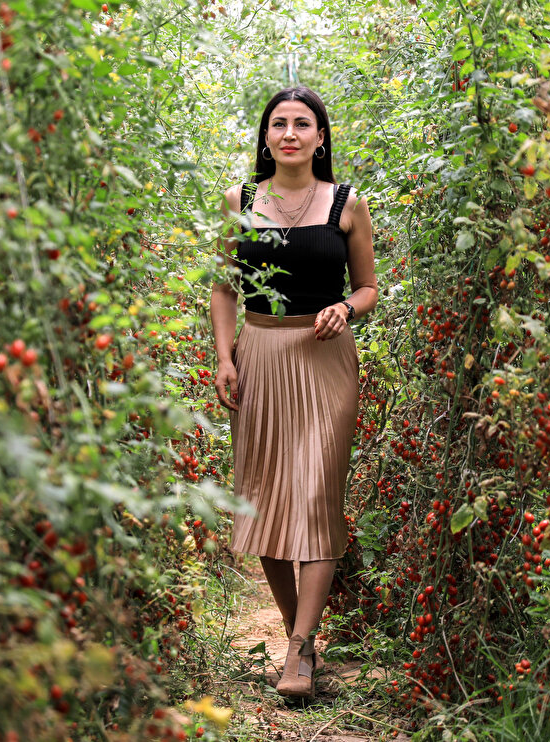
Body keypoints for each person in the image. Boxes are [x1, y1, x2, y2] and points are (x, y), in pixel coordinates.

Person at [209, 86, 378, 699]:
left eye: (302, 124)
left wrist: (344, 308)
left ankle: (300, 649)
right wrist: (224, 357)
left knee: (315, 497)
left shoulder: (347, 204)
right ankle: (297, 641)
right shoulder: (240, 201)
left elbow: (368, 287)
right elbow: (223, 288)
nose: (289, 133)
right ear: (266, 136)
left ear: (320, 137)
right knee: (266, 502)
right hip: (259, 357)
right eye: (278, 123)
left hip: (326, 363)